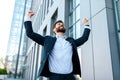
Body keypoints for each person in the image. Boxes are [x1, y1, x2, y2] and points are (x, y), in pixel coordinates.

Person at [24, 10, 91, 80]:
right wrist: (28, 17)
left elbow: (84, 38)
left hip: (70, 77)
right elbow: (30, 33)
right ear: (54, 30)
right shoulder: (47, 40)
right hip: (54, 77)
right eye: (58, 24)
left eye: (62, 24)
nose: (61, 24)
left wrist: (87, 25)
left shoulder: (71, 41)